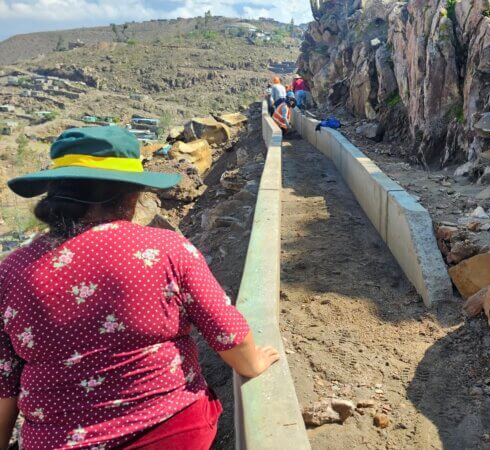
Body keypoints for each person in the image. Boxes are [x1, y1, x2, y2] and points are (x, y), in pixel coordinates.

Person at [0, 127, 280, 449]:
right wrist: (253, 363)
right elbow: (226, 330)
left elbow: (4, 383)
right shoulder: (166, 249)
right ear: (130, 195)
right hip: (169, 430)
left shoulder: (11, 272)